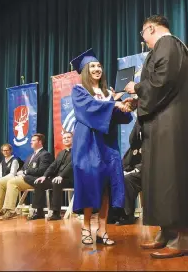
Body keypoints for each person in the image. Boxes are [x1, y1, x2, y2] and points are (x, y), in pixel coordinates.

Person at [124, 15, 188, 259]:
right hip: (162, 122)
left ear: (151, 28)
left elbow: (163, 81)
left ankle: (183, 238)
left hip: (172, 123)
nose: (144, 40)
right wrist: (138, 101)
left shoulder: (168, 45)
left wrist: (136, 88)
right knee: (160, 178)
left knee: (173, 177)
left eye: (143, 34)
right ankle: (166, 233)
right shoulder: (166, 47)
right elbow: (163, 86)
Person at [70, 48, 132, 245]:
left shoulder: (108, 92)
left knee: (107, 186)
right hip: (87, 142)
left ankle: (102, 230)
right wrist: (112, 104)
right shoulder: (79, 91)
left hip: (107, 143)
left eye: (99, 66)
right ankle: (86, 227)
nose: (97, 69)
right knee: (89, 183)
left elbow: (118, 114)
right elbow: (87, 110)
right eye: (93, 66)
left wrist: (124, 106)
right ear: (85, 71)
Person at [0, 133, 53, 220]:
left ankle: (11, 211)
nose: (31, 142)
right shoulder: (31, 155)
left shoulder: (45, 154)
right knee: (0, 182)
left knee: (12, 182)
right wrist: (20, 171)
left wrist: (26, 172)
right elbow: (23, 168)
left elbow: (42, 170)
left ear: (40, 142)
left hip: (34, 180)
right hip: (24, 178)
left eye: (33, 140)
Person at [29, 132, 74, 221]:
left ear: (73, 139)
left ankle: (56, 213)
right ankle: (39, 212)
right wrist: (44, 176)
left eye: (68, 137)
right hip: (57, 178)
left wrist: (61, 175)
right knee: (40, 182)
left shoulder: (77, 152)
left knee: (56, 182)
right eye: (64, 138)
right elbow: (52, 166)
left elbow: (71, 166)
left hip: (69, 179)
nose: (66, 139)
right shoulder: (61, 153)